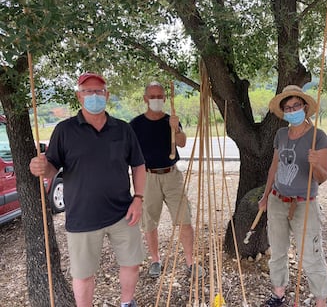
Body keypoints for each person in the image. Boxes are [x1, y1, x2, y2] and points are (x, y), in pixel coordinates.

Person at [29, 72, 146, 307]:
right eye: (88, 91)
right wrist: (41, 167)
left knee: (131, 262)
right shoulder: (64, 130)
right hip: (82, 216)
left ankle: (127, 303)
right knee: (83, 274)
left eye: (99, 91)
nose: (94, 96)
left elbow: (138, 165)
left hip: (123, 212)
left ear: (107, 95)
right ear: (79, 96)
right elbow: (52, 168)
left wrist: (138, 198)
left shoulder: (123, 129)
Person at [259, 85, 327, 307]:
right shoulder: (281, 134)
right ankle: (278, 295)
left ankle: (320, 301)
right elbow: (274, 166)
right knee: (278, 252)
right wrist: (265, 195)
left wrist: (315, 163)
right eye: (288, 108)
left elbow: (323, 176)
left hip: (304, 204)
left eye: (296, 106)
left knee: (311, 255)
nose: (292, 111)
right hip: (278, 200)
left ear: (305, 107)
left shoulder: (317, 136)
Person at [129, 81, 203, 279]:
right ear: (145, 99)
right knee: (149, 221)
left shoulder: (171, 120)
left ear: (164, 98)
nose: (156, 100)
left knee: (184, 219)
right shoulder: (135, 124)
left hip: (172, 176)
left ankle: (190, 262)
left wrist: (176, 129)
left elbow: (182, 142)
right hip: (147, 177)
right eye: (152, 97)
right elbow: (128, 152)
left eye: (159, 96)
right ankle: (155, 260)